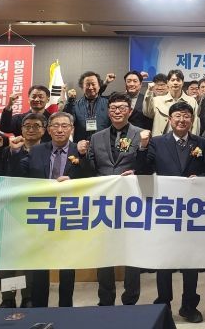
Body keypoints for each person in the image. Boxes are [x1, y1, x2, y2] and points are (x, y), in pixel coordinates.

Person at [137, 101, 205, 323]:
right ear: (170, 119)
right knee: (165, 261)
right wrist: (142, 146)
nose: (182, 120)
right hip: (166, 211)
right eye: (177, 116)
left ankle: (189, 305)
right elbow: (143, 171)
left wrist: (201, 179)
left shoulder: (202, 143)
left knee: (191, 260)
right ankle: (164, 303)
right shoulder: (157, 142)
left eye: (186, 116)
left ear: (192, 119)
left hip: (192, 212)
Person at [8, 111, 89, 307]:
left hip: (69, 213)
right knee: (40, 263)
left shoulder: (80, 151)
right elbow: (19, 176)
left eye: (64, 126)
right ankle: (39, 307)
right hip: (42, 214)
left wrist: (74, 179)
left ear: (71, 129)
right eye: (55, 126)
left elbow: (91, 176)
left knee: (67, 264)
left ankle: (65, 306)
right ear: (49, 130)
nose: (60, 130)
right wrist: (16, 153)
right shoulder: (37, 150)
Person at [79, 92, 141, 307]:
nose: (117, 111)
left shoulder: (141, 135)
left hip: (131, 203)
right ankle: (105, 299)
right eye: (113, 108)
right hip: (103, 203)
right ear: (108, 111)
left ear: (129, 111)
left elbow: (148, 165)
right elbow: (90, 169)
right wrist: (82, 156)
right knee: (104, 252)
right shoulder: (96, 137)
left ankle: (131, 299)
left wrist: (136, 173)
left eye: (122, 107)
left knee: (132, 252)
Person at [0, 113, 47, 308]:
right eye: (27, 126)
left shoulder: (48, 151)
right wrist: (14, 153)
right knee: (9, 257)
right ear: (21, 129)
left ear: (43, 130)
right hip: (10, 208)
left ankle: (27, 296)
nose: (31, 129)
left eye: (36, 126)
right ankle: (8, 298)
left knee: (29, 256)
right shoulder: (7, 150)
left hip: (36, 209)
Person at [144, 69, 200, 136]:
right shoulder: (157, 100)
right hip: (160, 140)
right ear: (168, 82)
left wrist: (193, 140)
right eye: (172, 80)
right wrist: (149, 92)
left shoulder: (191, 101)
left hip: (184, 140)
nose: (175, 83)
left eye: (178, 80)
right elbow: (147, 113)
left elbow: (195, 124)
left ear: (182, 83)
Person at [63, 71, 111, 143]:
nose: (90, 87)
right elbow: (67, 121)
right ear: (82, 87)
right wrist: (70, 101)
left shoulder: (108, 103)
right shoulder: (75, 105)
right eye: (87, 84)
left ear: (99, 86)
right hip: (82, 145)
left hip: (104, 145)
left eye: (93, 84)